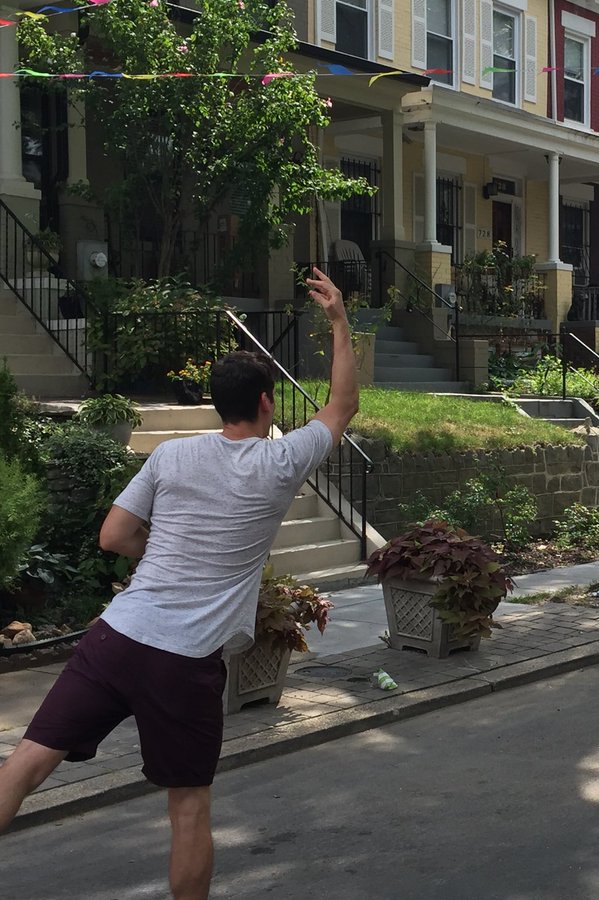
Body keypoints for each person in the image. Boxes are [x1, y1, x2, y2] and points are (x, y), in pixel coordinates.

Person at [0, 267, 358, 899]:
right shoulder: (281, 461)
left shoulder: (170, 455)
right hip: (185, 663)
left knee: (26, 764)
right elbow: (342, 405)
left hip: (115, 639)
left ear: (219, 404)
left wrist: (152, 554)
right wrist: (336, 319)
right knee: (188, 806)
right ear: (267, 405)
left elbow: (113, 538)